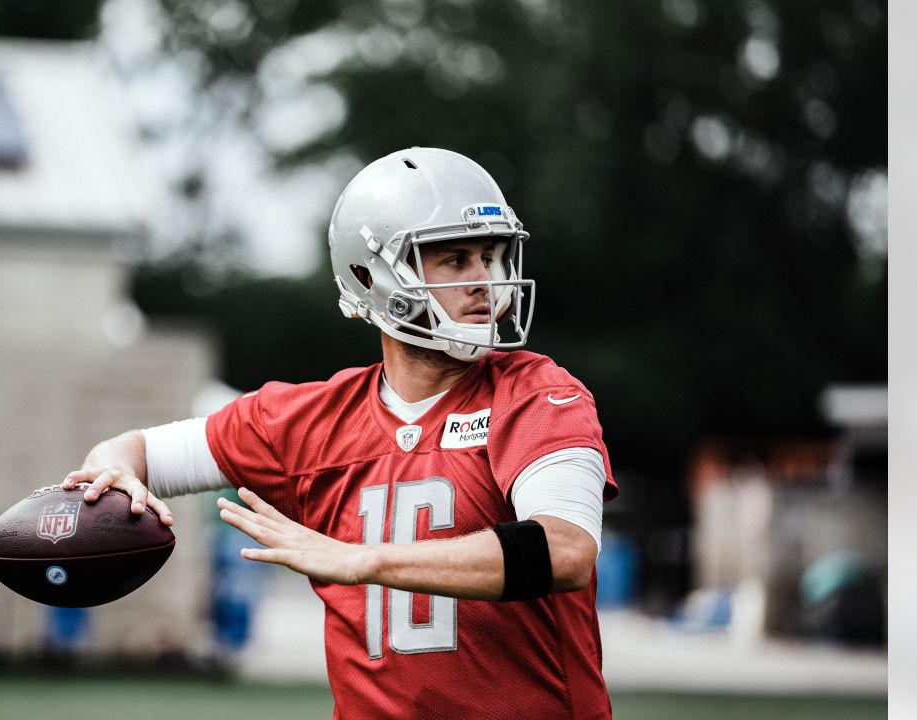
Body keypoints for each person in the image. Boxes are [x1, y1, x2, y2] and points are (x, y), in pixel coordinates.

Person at [62, 147, 618, 719]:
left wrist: (362, 559)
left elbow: (565, 549)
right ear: (370, 275)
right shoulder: (310, 420)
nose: (485, 282)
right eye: (455, 260)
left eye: (490, 256)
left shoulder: (540, 394)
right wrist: (117, 472)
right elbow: (135, 450)